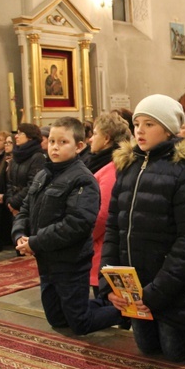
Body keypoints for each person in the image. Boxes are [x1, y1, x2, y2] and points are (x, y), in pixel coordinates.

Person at [101, 94, 185, 362]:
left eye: (149, 124)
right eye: (137, 123)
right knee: (148, 348)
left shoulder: (184, 171)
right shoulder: (127, 167)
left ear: (167, 129)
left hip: (171, 283)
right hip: (135, 282)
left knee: (177, 352)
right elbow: (112, 227)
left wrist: (157, 292)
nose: (139, 129)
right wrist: (110, 282)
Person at [12, 117, 122, 335]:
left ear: (79, 146)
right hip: (46, 260)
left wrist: (35, 241)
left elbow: (77, 224)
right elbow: (25, 209)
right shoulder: (44, 175)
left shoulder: (83, 179)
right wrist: (19, 235)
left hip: (71, 262)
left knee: (80, 323)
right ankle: (107, 307)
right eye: (52, 141)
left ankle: (125, 312)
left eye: (63, 142)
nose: (55, 147)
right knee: (57, 320)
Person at [86, 113, 132, 296]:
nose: (90, 138)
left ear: (106, 138)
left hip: (104, 250)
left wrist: (82, 237)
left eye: (95, 133)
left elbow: (102, 215)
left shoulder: (111, 170)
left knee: (111, 305)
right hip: (101, 248)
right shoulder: (102, 164)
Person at [4, 123, 46, 218]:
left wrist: (15, 202)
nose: (16, 136)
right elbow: (9, 182)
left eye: (20, 133)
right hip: (13, 206)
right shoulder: (16, 156)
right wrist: (10, 202)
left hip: (29, 207)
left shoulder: (37, 157)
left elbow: (33, 184)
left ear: (30, 136)